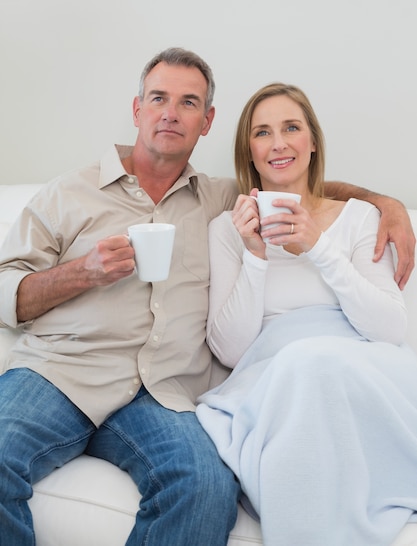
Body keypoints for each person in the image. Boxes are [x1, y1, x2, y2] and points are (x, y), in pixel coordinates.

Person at [0, 51, 414, 546]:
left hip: (161, 393)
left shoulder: (224, 201)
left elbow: (291, 175)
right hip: (63, 372)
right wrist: (81, 273)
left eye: (188, 102)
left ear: (207, 121)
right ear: (137, 110)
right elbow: (8, 292)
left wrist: (385, 204)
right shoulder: (68, 193)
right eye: (159, 99)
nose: (171, 113)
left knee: (206, 489)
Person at [196, 82, 417, 546]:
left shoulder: (359, 218)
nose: (278, 143)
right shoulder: (228, 229)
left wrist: (318, 247)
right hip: (277, 380)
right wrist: (255, 255)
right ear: (250, 153)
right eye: (263, 133)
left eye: (291, 128)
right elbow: (232, 351)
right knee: (305, 363)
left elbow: (390, 328)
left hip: (363, 369)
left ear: (312, 142)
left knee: (314, 361)